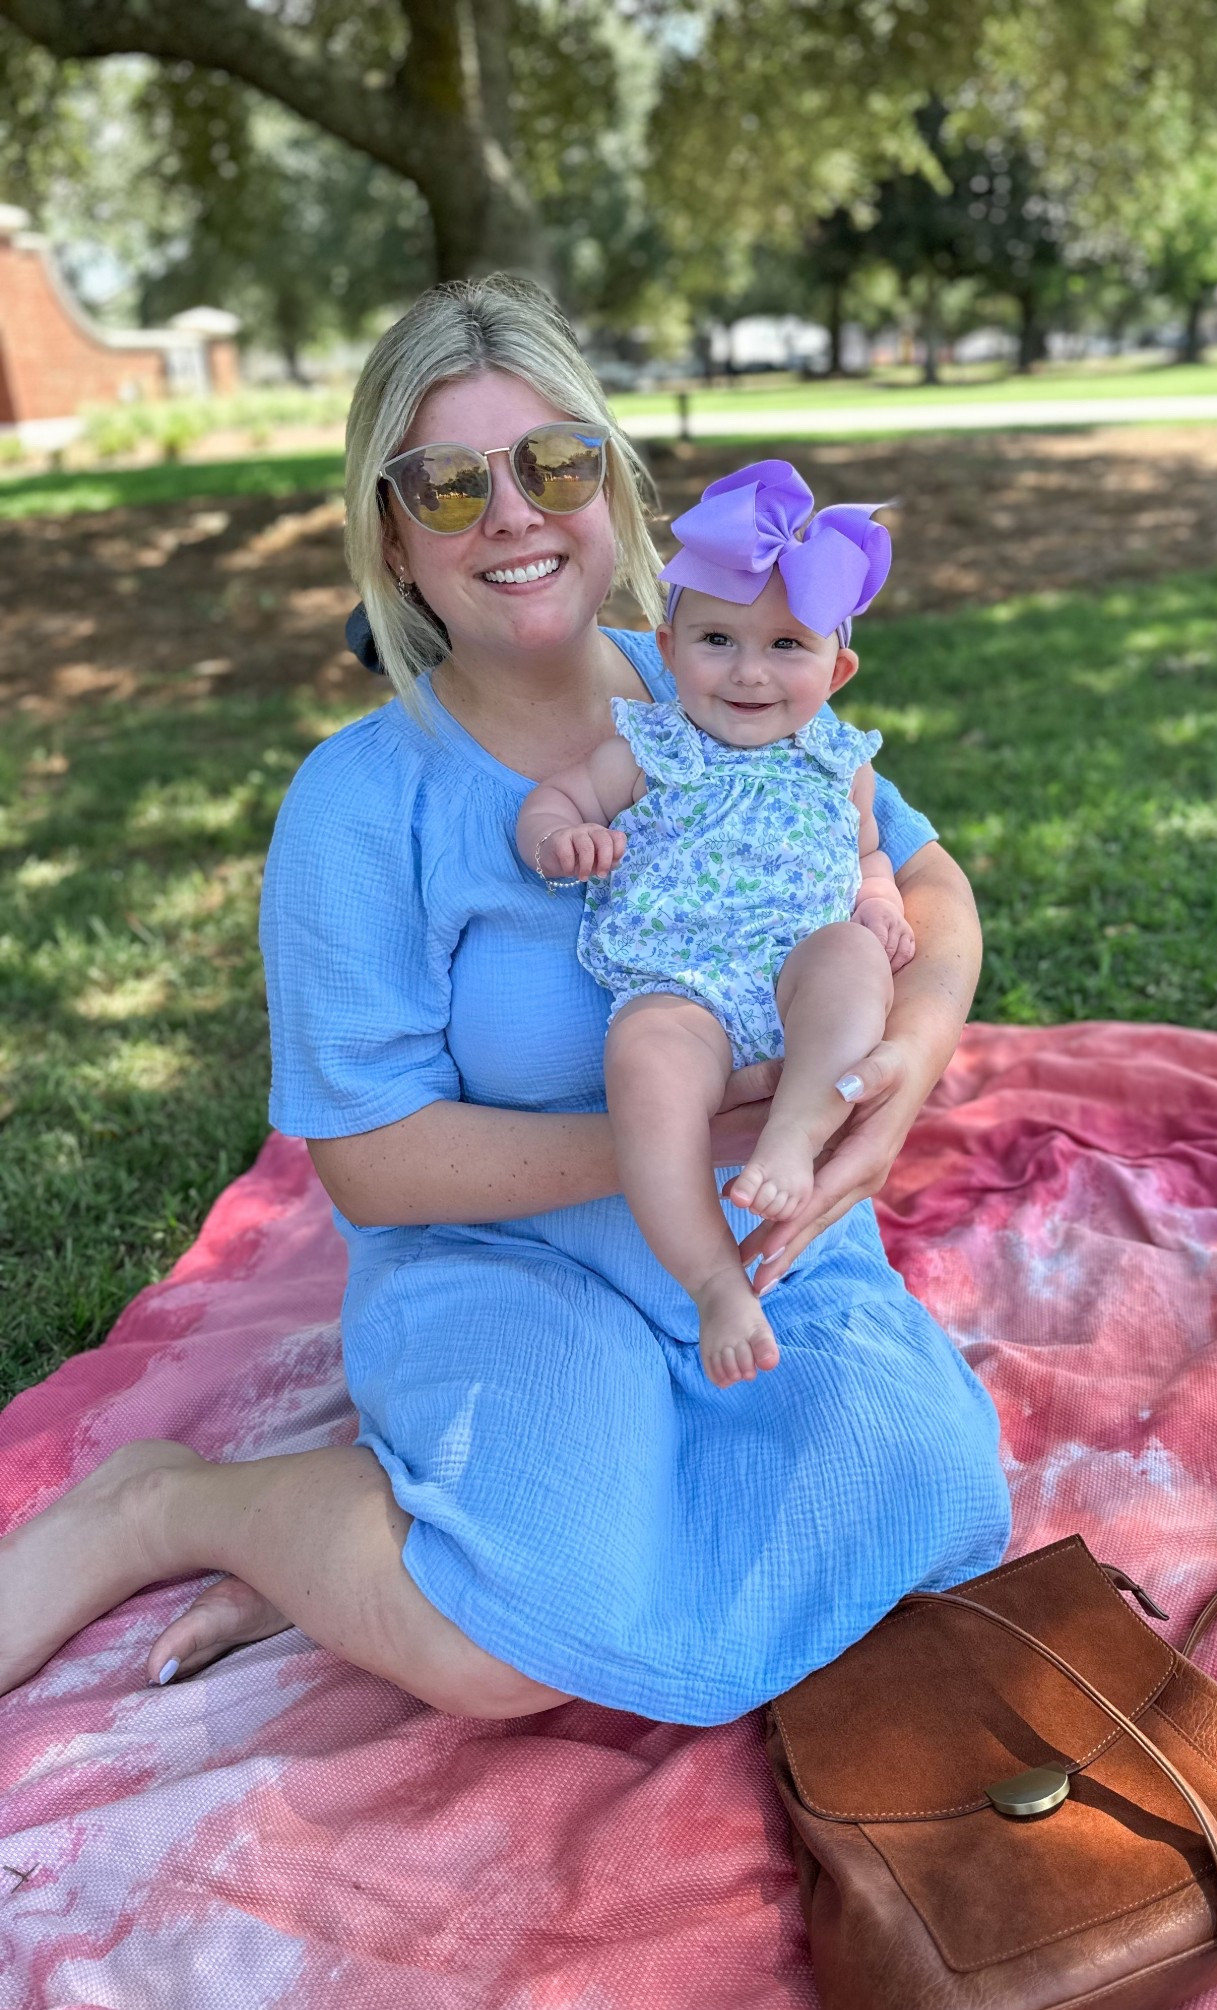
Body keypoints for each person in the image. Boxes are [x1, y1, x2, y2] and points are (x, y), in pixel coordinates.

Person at [0, 276, 1009, 1727]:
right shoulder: (362, 802)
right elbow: (373, 1161)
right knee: (512, 1648)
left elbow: (926, 883)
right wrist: (682, 1143)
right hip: (503, 1261)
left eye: (553, 464)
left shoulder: (729, 673)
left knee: (929, 1496)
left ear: (616, 489)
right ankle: (176, 1506)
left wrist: (905, 1054)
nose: (513, 515)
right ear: (392, 540)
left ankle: (411, 1528)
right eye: (449, 486)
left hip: (758, 1243)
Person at [516, 459, 914, 1387]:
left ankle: (793, 1133)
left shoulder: (840, 762)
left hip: (797, 972)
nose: (748, 671)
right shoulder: (650, 745)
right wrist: (561, 838)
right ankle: (712, 1281)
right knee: (646, 1067)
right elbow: (557, 798)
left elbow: (867, 855)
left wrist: (881, 902)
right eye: (717, 639)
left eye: (786, 646)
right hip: (682, 986)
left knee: (852, 958)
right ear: (669, 644)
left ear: (837, 670)